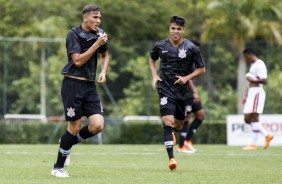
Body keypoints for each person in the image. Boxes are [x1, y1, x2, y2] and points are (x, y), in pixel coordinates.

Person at [51, 4, 109, 177]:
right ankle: (57, 168)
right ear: (85, 17)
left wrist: (104, 70)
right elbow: (77, 61)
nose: (98, 21)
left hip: (90, 86)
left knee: (97, 125)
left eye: (99, 17)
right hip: (72, 85)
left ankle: (67, 142)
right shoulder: (73, 34)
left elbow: (104, 54)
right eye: (94, 17)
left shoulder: (100, 33)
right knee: (74, 127)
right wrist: (96, 44)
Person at [149, 16, 205, 171]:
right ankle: (171, 158)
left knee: (179, 125)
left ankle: (173, 132)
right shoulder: (160, 45)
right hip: (165, 89)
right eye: (173, 28)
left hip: (183, 92)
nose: (175, 31)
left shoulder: (191, 48)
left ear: (183, 30)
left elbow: (201, 69)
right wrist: (154, 76)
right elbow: (152, 60)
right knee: (167, 122)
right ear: (169, 29)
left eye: (179, 29)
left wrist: (186, 78)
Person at [241, 48, 273, 151]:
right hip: (252, 93)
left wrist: (251, 79)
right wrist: (246, 95)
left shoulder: (260, 64)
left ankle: (254, 144)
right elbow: (251, 83)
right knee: (247, 118)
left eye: (246, 56)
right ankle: (266, 134)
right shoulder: (253, 65)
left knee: (254, 117)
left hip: (257, 93)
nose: (246, 58)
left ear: (251, 54)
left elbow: (264, 80)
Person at [177, 40, 205, 153]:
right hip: (186, 93)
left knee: (201, 116)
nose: (197, 50)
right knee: (186, 118)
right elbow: (187, 79)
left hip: (191, 94)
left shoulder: (195, 60)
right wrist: (194, 92)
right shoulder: (185, 59)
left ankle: (187, 141)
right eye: (195, 48)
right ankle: (181, 146)